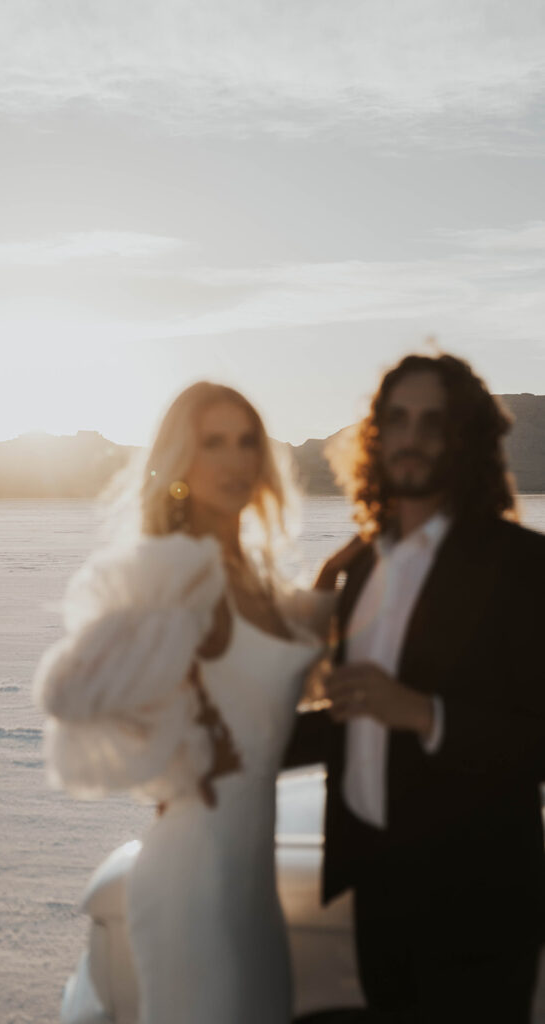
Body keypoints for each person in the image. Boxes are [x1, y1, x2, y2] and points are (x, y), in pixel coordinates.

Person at [33, 381, 360, 1024]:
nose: (235, 460)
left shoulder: (259, 579)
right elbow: (68, 691)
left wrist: (332, 582)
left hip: (249, 881)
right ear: (181, 460)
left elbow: (273, 675)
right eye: (213, 443)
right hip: (191, 878)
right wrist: (183, 745)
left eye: (246, 441)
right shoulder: (178, 571)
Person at [286, 353, 545, 1023]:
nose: (411, 437)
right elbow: (353, 714)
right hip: (376, 896)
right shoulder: (362, 564)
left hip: (478, 913)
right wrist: (229, 757)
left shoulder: (523, 566)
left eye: (434, 422)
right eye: (396, 420)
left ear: (466, 440)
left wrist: (425, 714)